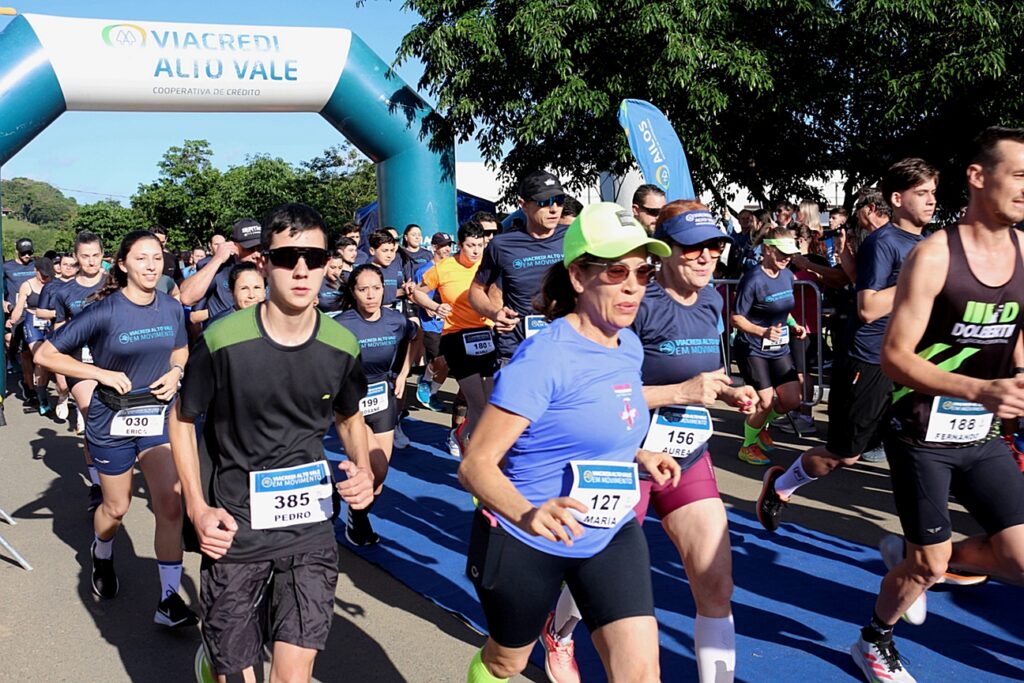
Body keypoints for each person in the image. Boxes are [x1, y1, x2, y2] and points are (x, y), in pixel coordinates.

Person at [458, 201, 677, 683]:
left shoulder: (628, 344)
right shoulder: (544, 358)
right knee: (507, 662)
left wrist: (639, 453)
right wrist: (528, 514)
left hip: (608, 530)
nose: (633, 285)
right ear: (578, 276)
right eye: (616, 271)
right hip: (526, 535)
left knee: (641, 674)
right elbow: (476, 465)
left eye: (643, 272)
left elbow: (597, 416)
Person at [540, 200, 758, 683]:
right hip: (623, 458)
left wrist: (728, 390)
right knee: (596, 573)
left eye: (715, 247)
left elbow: (707, 371)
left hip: (686, 456)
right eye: (694, 248)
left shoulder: (711, 301)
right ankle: (559, 630)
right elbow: (599, 390)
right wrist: (680, 392)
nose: (707, 257)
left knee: (717, 583)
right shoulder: (637, 302)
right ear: (668, 251)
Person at [168, 203, 374, 683]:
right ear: (263, 263)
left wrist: (363, 468)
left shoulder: (342, 345)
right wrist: (197, 508)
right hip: (235, 528)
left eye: (314, 258)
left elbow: (349, 415)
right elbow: (181, 419)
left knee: (293, 676)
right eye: (286, 258)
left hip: (309, 527)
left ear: (328, 264)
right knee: (235, 673)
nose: (301, 271)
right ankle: (217, 660)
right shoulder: (222, 341)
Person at [850, 127, 1024, 683]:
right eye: (1019, 175)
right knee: (928, 565)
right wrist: (979, 389)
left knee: (1019, 557)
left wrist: (1018, 380)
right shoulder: (934, 255)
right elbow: (895, 357)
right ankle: (874, 639)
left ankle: (924, 557)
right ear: (978, 177)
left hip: (983, 434)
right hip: (922, 434)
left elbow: (1016, 334)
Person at [757, 159, 939, 531]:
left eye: (933, 192)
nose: (931, 200)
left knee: (918, 446)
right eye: (922, 193)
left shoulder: (925, 243)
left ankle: (926, 537)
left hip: (909, 360)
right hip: (869, 359)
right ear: (897, 199)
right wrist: (921, 282)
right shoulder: (883, 242)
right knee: (844, 455)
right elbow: (868, 307)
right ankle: (781, 485)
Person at [35, 230, 195, 625]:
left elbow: (180, 347)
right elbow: (46, 354)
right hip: (112, 419)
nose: (151, 266)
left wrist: (176, 371)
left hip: (156, 416)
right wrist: (99, 374)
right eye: (141, 258)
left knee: (170, 503)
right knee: (116, 507)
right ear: (122, 264)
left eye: (156, 258)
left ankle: (169, 600)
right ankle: (102, 552)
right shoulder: (103, 311)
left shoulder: (171, 307)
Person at [335, 264, 416, 546]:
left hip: (383, 398)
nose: (370, 295)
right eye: (363, 289)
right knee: (372, 466)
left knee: (379, 474)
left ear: (384, 289)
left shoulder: (396, 321)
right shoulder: (341, 324)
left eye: (376, 288)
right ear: (353, 292)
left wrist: (403, 374)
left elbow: (413, 339)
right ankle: (356, 518)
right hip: (352, 402)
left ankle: (357, 514)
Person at [412, 220, 496, 452]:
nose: (476, 251)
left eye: (480, 245)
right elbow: (418, 292)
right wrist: (435, 306)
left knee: (490, 403)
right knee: (477, 403)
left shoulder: (489, 265)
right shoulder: (444, 268)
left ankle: (461, 434)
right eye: (470, 245)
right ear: (460, 245)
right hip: (457, 337)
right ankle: (476, 451)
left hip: (486, 335)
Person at [469, 170, 568, 365]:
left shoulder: (574, 237)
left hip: (564, 347)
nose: (554, 209)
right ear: (523, 205)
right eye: (544, 202)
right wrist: (494, 313)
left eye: (559, 200)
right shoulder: (501, 245)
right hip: (517, 349)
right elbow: (476, 290)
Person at [51, 232, 109, 508]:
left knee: (115, 422)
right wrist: (60, 372)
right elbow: (58, 334)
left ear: (103, 255)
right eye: (85, 256)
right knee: (92, 418)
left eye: (96, 255)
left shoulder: (115, 284)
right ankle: (97, 485)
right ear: (76, 257)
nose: (91, 261)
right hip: (80, 363)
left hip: (114, 361)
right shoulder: (65, 292)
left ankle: (114, 473)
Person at [179, 219, 263, 323]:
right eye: (249, 249)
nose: (257, 254)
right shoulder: (220, 268)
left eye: (260, 248)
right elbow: (187, 298)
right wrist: (218, 259)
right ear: (234, 246)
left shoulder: (268, 266)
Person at [9, 257, 55, 413]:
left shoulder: (53, 283)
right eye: (42, 274)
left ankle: (41, 390)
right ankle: (38, 396)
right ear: (36, 271)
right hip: (31, 321)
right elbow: (19, 306)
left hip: (49, 322)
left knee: (46, 361)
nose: (45, 278)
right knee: (40, 358)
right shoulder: (27, 285)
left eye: (48, 275)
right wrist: (13, 318)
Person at [414, 232, 453, 413]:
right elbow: (418, 296)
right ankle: (426, 379)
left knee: (448, 362)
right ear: (434, 247)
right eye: (443, 245)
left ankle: (433, 392)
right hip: (432, 324)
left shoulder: (453, 268)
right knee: (439, 360)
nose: (447, 249)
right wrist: (430, 306)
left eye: (449, 245)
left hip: (451, 324)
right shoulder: (424, 271)